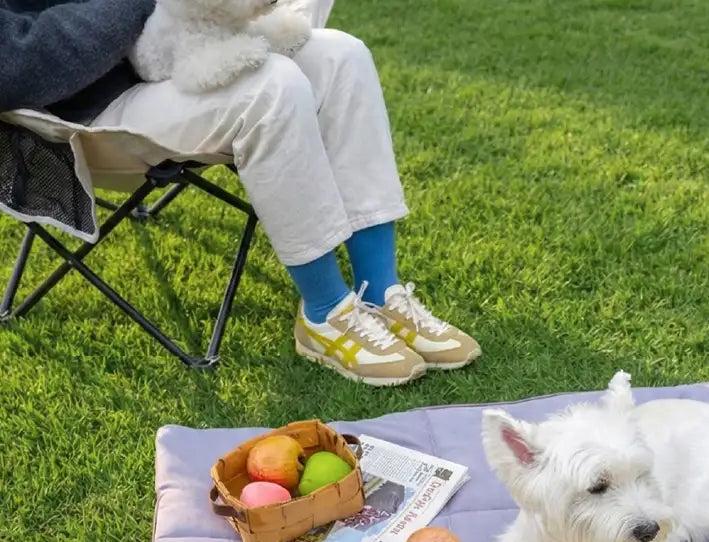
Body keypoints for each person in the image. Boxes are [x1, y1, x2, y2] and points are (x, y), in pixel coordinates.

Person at [0, 0, 481, 386]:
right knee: (272, 87)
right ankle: (324, 313)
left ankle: (379, 289)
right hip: (83, 109)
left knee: (342, 55)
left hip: (185, 49)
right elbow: (14, 65)